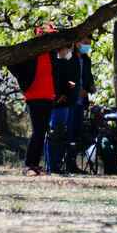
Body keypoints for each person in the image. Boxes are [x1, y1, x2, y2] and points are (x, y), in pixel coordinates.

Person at [7, 23, 58, 176]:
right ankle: (29, 165)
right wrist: (25, 83)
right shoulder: (30, 50)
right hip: (34, 96)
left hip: (49, 95)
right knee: (38, 131)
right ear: (37, 34)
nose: (47, 37)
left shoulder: (51, 52)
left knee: (41, 132)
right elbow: (12, 63)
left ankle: (34, 165)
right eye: (44, 34)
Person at [46, 43, 79, 174]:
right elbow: (55, 80)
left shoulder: (66, 61)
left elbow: (71, 80)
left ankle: (56, 164)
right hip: (56, 103)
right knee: (54, 133)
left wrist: (66, 93)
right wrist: (57, 96)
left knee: (60, 134)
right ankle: (52, 165)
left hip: (64, 102)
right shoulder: (54, 60)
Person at [65, 36, 95, 173]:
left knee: (77, 132)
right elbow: (65, 79)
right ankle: (63, 163)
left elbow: (89, 78)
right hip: (69, 101)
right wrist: (77, 89)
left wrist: (90, 87)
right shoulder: (68, 58)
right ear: (76, 43)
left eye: (89, 43)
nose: (87, 45)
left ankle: (72, 164)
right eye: (85, 42)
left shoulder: (87, 60)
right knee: (68, 132)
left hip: (81, 102)